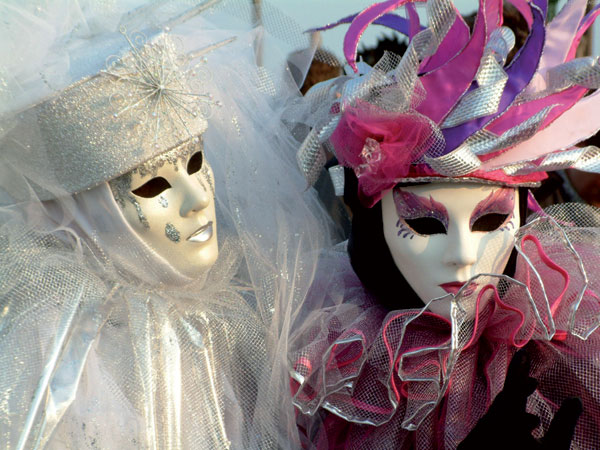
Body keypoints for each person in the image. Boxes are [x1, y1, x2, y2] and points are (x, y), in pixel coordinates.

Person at [0, 2, 328, 448]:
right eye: (154, 186)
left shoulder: (229, 321)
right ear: (83, 210)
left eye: (195, 162)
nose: (198, 200)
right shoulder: (56, 353)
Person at [285, 0, 600, 448]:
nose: (463, 255)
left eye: (491, 219)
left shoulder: (570, 349)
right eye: (425, 223)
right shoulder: (333, 363)